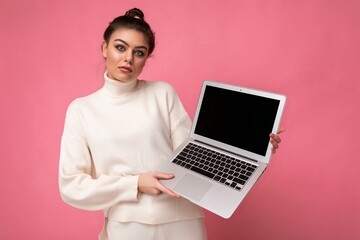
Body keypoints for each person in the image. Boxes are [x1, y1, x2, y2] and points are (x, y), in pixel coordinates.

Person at [58, 8, 284, 240]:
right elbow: (72, 186)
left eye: (139, 52)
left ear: (146, 58)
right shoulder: (81, 110)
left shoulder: (162, 93)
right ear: (104, 48)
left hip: (182, 219)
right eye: (120, 47)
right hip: (128, 225)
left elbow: (195, 154)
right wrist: (135, 183)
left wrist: (255, 150)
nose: (128, 58)